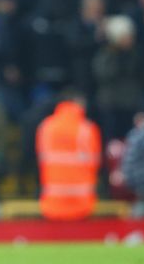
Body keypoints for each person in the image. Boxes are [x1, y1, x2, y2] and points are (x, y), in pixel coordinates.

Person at [36, 90, 101, 221]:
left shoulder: (46, 127)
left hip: (52, 202)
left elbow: (40, 160)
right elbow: (96, 162)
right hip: (82, 203)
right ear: (77, 103)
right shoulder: (87, 129)